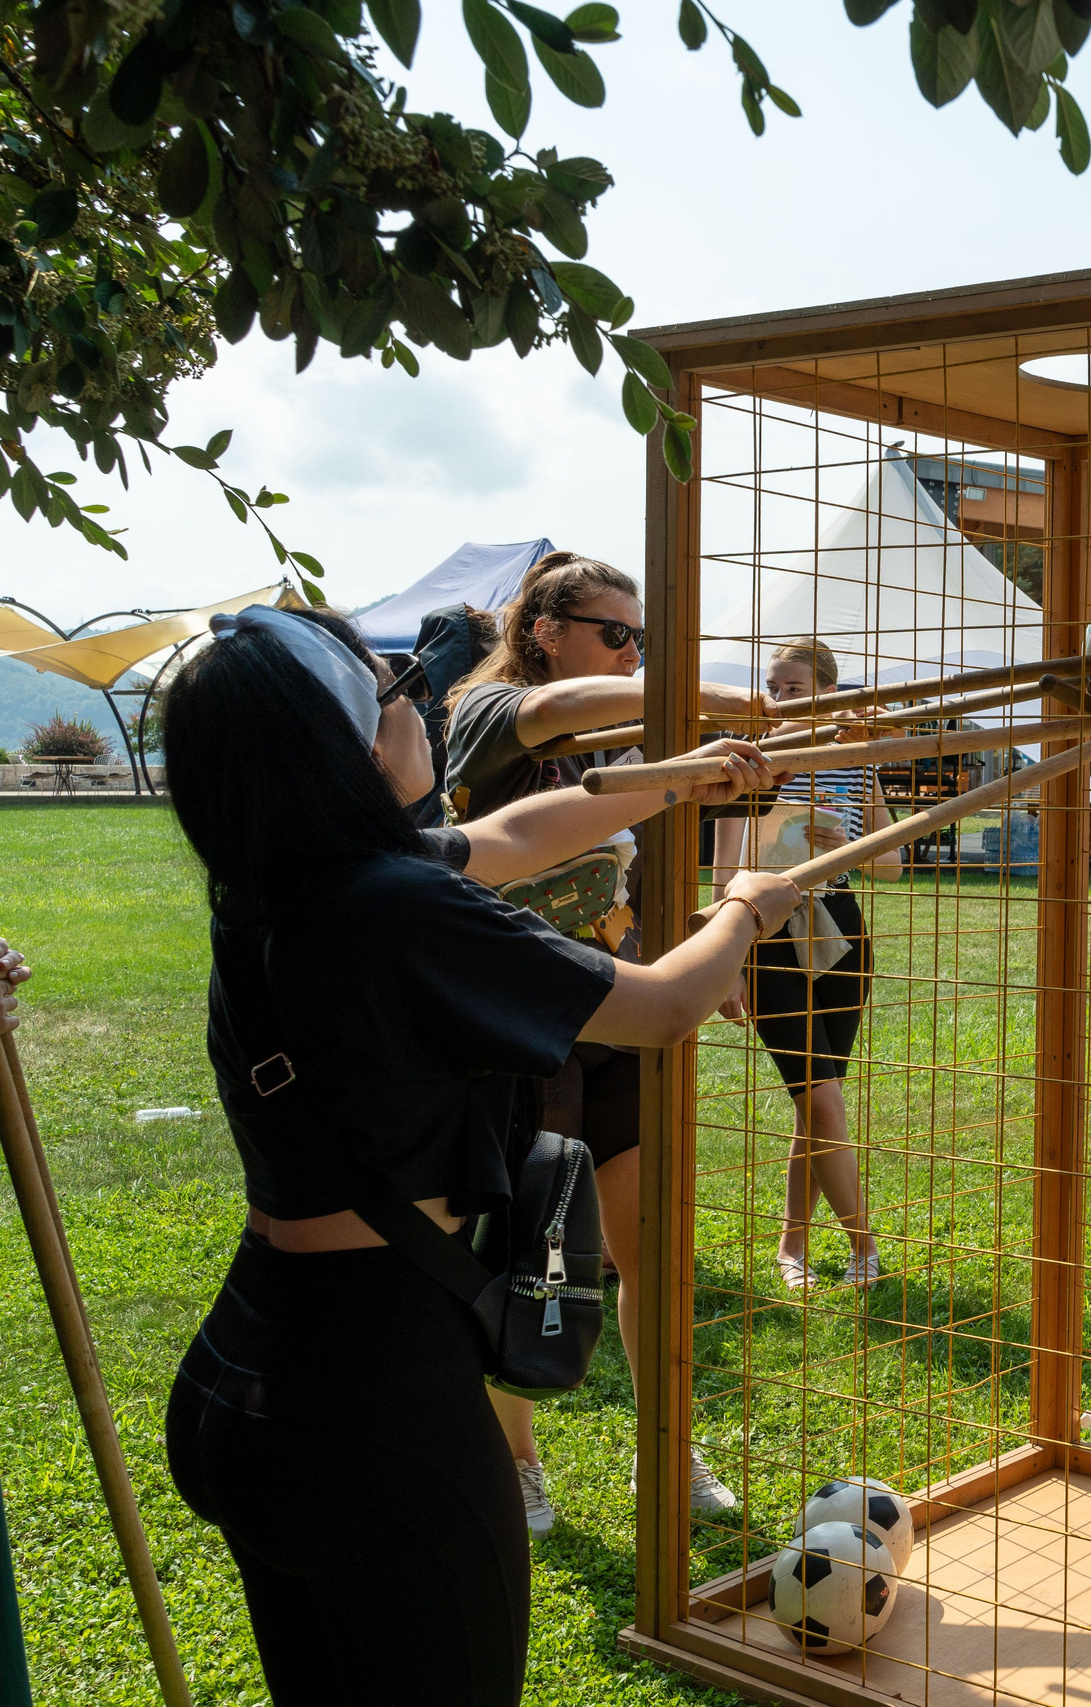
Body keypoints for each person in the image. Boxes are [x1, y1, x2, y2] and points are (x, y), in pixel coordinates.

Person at [156, 604, 796, 1707]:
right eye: (403, 697)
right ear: (356, 746)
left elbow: (510, 839)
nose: (427, 714)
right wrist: (744, 904)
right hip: (374, 1408)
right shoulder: (397, 904)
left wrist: (676, 780)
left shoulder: (291, 874)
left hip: (252, 1379)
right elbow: (662, 1006)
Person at [442, 550, 768, 1534]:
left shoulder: (624, 739)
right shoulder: (493, 714)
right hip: (514, 1023)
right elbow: (562, 716)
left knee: (646, 1251)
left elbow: (630, 867)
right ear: (544, 633)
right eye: (616, 635)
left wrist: (702, 970)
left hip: (613, 1011)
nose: (633, 656)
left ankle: (667, 1448)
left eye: (645, 640)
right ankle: (515, 1462)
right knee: (525, 1254)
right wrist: (745, 704)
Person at [710, 641, 880, 1294]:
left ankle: (792, 1245)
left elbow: (890, 862)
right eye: (773, 686)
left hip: (841, 938)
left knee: (819, 1106)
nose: (777, 698)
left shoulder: (854, 763)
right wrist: (728, 966)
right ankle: (864, 1245)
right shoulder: (743, 763)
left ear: (829, 693)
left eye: (793, 687)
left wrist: (852, 845)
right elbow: (726, 873)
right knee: (825, 1101)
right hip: (767, 937)